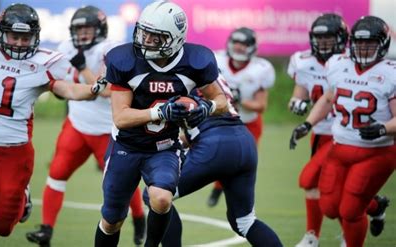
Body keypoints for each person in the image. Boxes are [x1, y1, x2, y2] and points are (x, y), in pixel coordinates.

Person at [0, 4, 106, 247]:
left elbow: (67, 89)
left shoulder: (44, 62)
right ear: (2, 33)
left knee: (2, 227)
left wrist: (93, 89)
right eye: (15, 36)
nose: (20, 43)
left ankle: (22, 198)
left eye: (26, 38)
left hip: (14, 153)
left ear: (34, 37)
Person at [93, 1, 228, 246]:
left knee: (162, 198)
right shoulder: (125, 60)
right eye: (145, 32)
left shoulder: (195, 61)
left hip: (164, 147)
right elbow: (121, 118)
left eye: (155, 36)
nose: (146, 40)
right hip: (126, 146)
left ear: (176, 39)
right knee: (112, 220)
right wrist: (160, 112)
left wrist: (206, 108)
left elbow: (221, 100)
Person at [25, 6, 145, 247]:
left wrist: (83, 69)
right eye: (78, 29)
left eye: (87, 29)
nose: (82, 34)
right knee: (57, 174)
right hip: (78, 125)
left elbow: (110, 91)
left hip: (107, 130)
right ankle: (46, 229)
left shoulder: (110, 50)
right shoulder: (66, 48)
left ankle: (140, 218)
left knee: (121, 183)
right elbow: (59, 85)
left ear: (99, 29)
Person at [290, 16, 395, 247]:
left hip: (376, 150)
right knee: (329, 205)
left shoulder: (391, 72)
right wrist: (307, 124)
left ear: (384, 44)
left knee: (350, 208)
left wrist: (383, 128)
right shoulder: (338, 63)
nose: (364, 49)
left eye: (370, 44)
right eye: (359, 43)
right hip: (340, 146)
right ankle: (376, 206)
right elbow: (328, 97)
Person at [143, 74, 283, 247]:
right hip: (244, 140)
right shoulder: (209, 71)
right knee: (244, 221)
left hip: (213, 144)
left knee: (155, 195)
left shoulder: (179, 71)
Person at [207, 27, 275, 207]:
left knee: (244, 163)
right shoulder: (217, 60)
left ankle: (231, 193)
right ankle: (218, 187)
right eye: (236, 43)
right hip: (221, 120)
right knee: (220, 157)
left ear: (252, 47)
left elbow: (261, 106)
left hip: (249, 122)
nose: (238, 47)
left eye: (244, 44)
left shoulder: (261, 68)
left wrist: (240, 100)